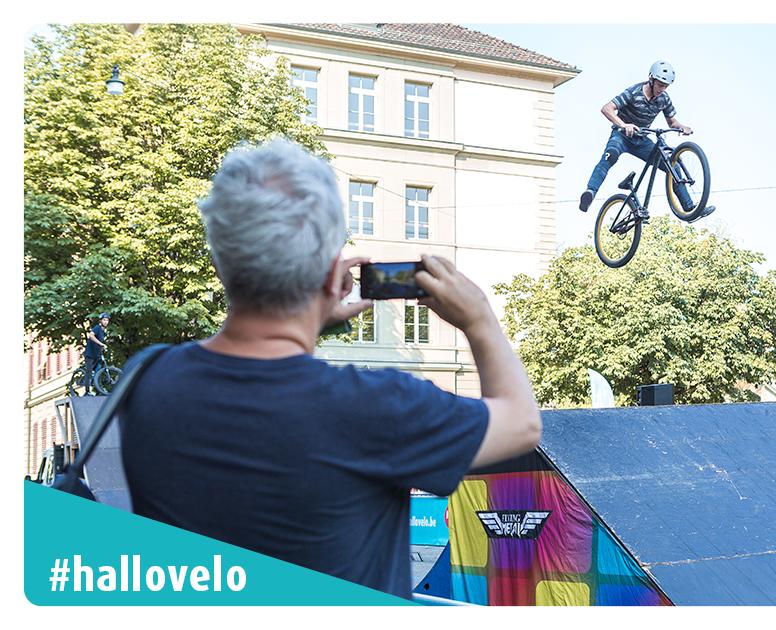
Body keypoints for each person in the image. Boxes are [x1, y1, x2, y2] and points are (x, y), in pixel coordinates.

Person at [120, 138, 543, 600]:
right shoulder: (377, 406)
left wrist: (311, 312)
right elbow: (520, 423)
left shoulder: (146, 378)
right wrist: (479, 317)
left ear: (221, 261)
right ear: (328, 276)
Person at [578, 60, 716, 221]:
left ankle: (690, 209)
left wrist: (682, 127)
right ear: (651, 80)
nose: (662, 89)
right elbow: (606, 108)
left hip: (642, 140)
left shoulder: (664, 98)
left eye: (665, 86)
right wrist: (624, 125)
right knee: (610, 155)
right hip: (622, 135)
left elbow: (672, 122)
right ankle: (590, 192)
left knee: (673, 166)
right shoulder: (634, 92)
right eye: (659, 85)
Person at [82, 312, 110, 395]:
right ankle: (87, 391)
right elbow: (91, 336)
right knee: (89, 372)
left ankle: (98, 390)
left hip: (97, 355)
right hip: (90, 354)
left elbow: (100, 342)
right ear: (101, 321)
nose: (106, 322)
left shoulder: (103, 331)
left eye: (107, 320)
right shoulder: (97, 328)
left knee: (98, 371)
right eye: (104, 320)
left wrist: (102, 346)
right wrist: (100, 344)